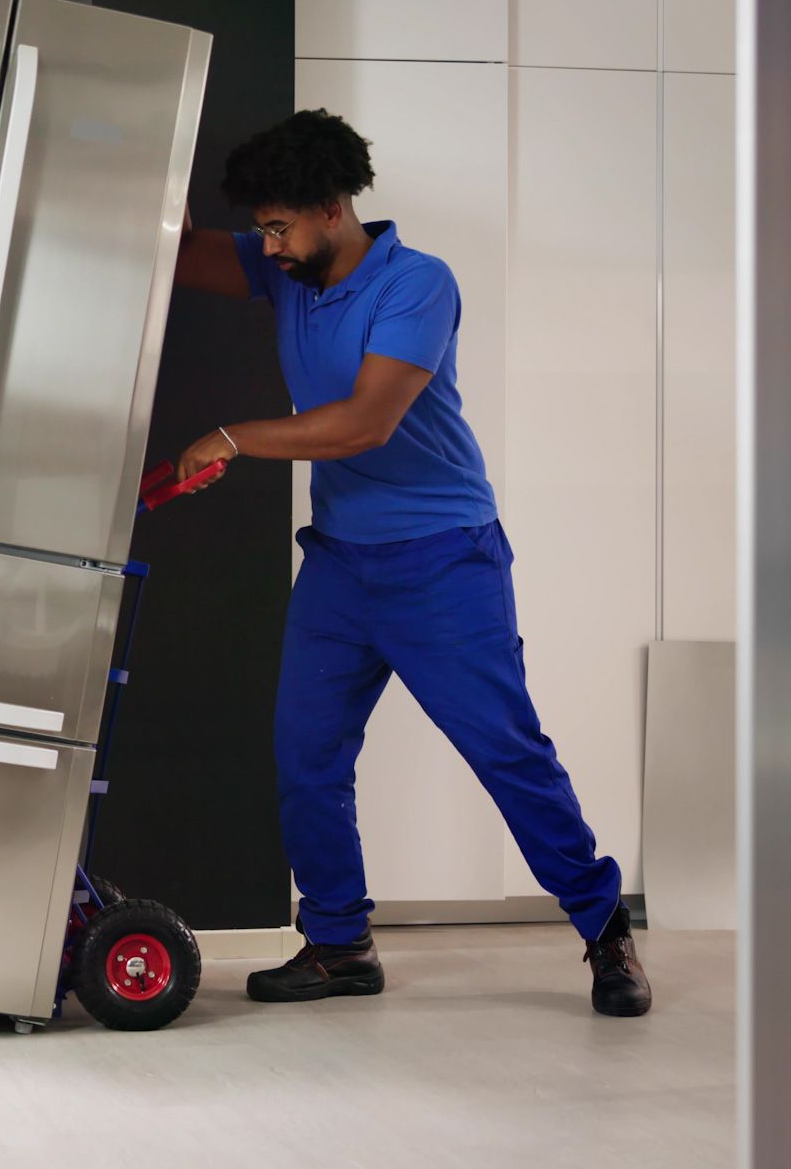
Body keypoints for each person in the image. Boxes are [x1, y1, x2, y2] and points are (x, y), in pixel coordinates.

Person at [170, 109, 652, 1018]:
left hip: (443, 561)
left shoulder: (417, 284)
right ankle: (341, 943)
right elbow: (177, 250)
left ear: (331, 206)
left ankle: (605, 931)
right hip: (341, 567)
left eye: (280, 226)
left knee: (505, 752)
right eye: (262, 228)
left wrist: (231, 437)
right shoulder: (286, 274)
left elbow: (364, 423)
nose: (267, 245)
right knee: (305, 759)